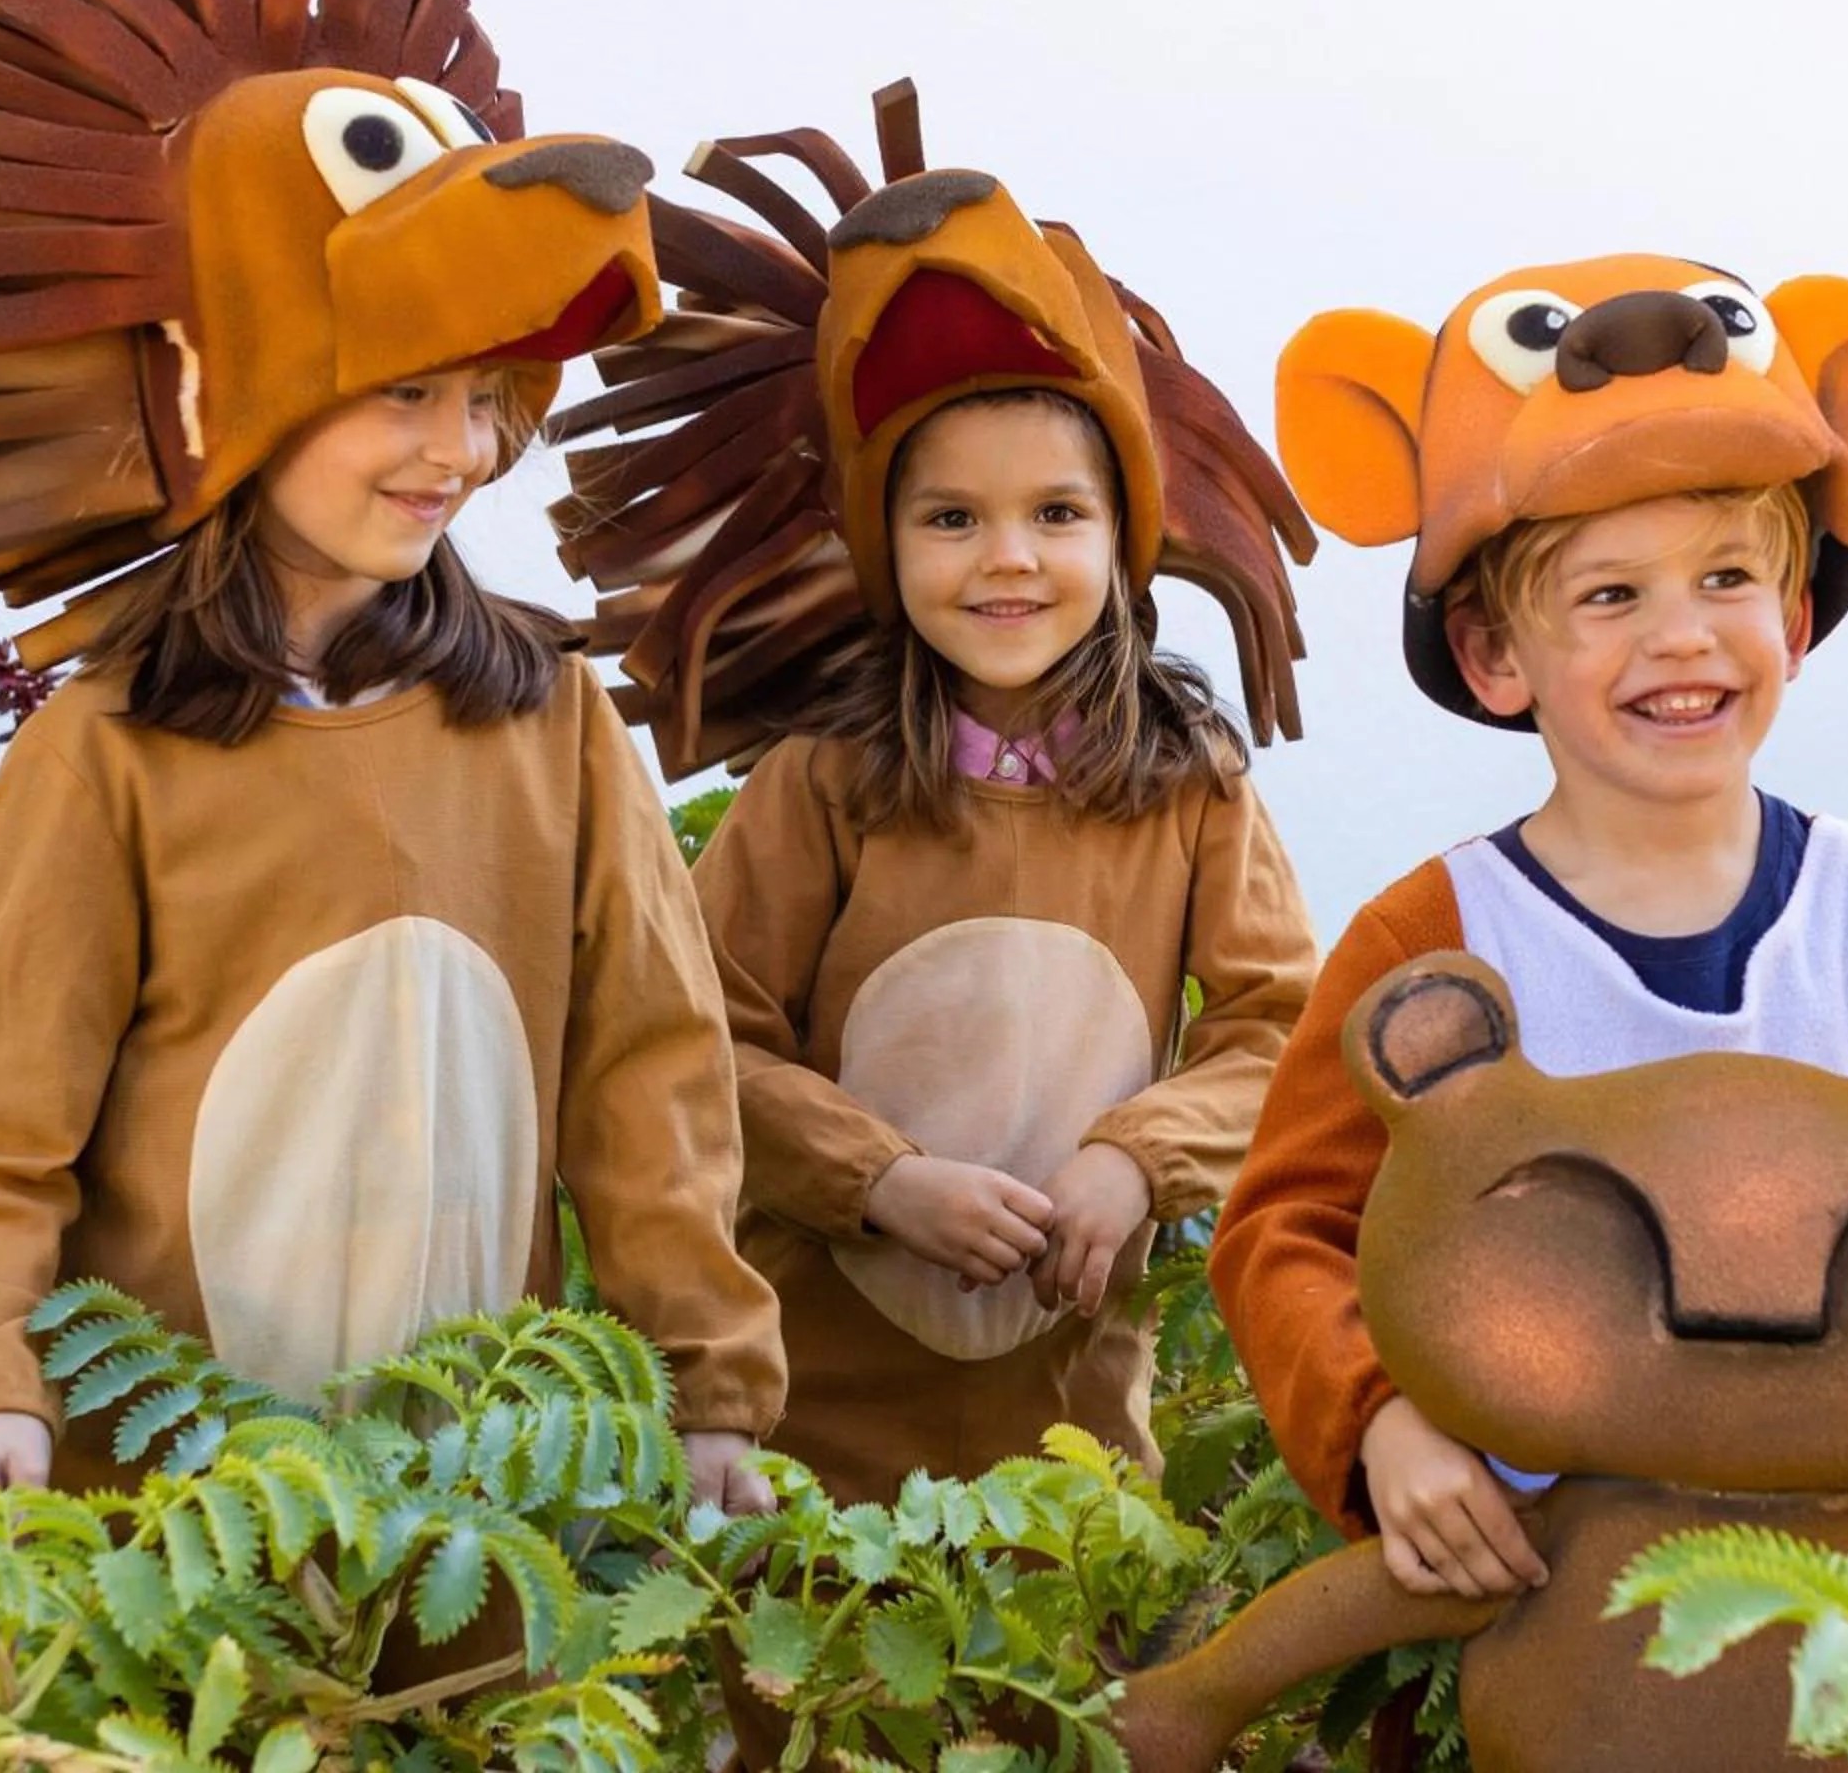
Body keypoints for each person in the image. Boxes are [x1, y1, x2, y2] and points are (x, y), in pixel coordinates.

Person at [0, 0, 787, 1545]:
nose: (455, 453)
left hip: (481, 1526)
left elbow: (652, 1088)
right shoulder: (108, 754)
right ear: (232, 387)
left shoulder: (552, 729)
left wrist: (710, 1382)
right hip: (180, 1537)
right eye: (401, 395)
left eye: (483, 402)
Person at [1213, 253, 1848, 1606]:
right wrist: (1380, 1420)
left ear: (1794, 614)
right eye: (1610, 596)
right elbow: (1286, 1232)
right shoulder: (1434, 939)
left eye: (1726, 578)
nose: (1683, 638)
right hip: (1533, 1579)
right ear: (1495, 657)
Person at [547, 90, 1318, 1502]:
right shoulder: (825, 781)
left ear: (1126, 538)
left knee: (1062, 1693)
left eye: (1058, 515)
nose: (1006, 559)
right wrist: (879, 1177)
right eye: (950, 517)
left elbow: (1279, 1034)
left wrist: (1138, 1162)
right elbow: (696, 1038)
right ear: (883, 543)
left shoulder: (1193, 788)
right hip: (816, 1412)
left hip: (1074, 1419)